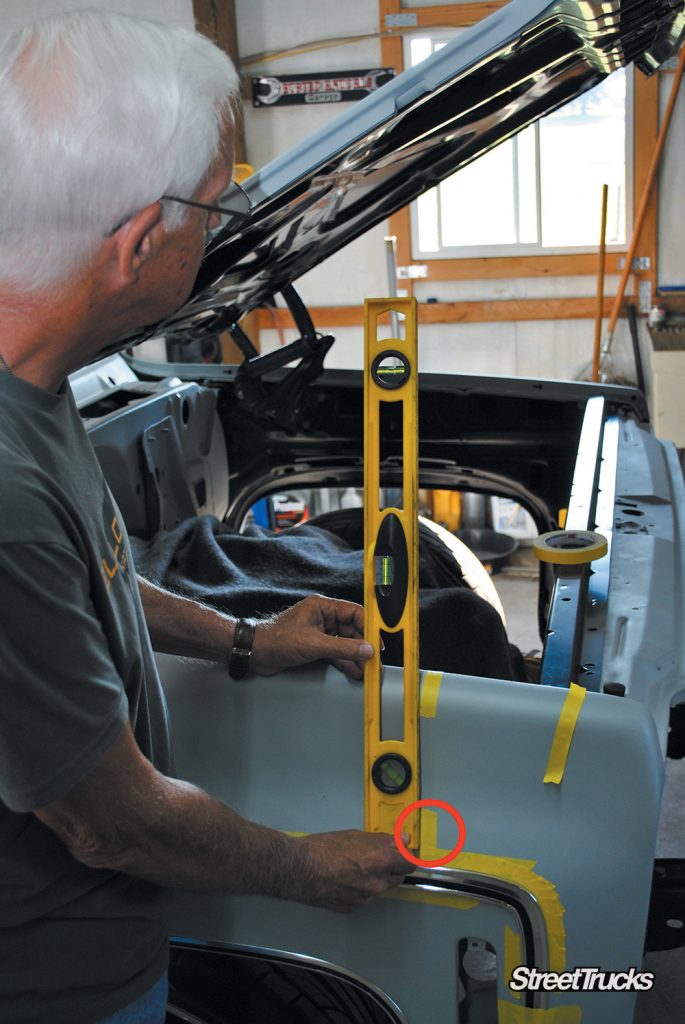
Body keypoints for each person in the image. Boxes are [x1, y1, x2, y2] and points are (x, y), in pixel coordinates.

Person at [0, 11, 410, 1024]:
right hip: (62, 986)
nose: (220, 234)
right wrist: (309, 867)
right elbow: (116, 822)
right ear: (140, 241)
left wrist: (243, 638)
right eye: (212, 211)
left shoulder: (34, 377)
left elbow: (85, 577)